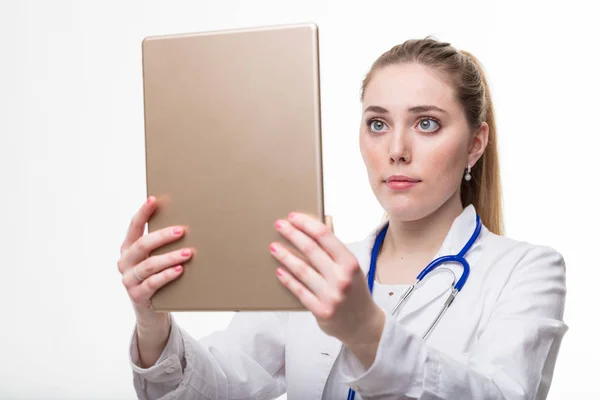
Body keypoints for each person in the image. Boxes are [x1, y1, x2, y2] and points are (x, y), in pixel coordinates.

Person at [118, 37, 568, 400]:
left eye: (426, 123)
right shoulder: (316, 267)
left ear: (475, 143)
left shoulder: (527, 271)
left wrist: (366, 331)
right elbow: (217, 388)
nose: (396, 149)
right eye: (377, 124)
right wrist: (152, 323)